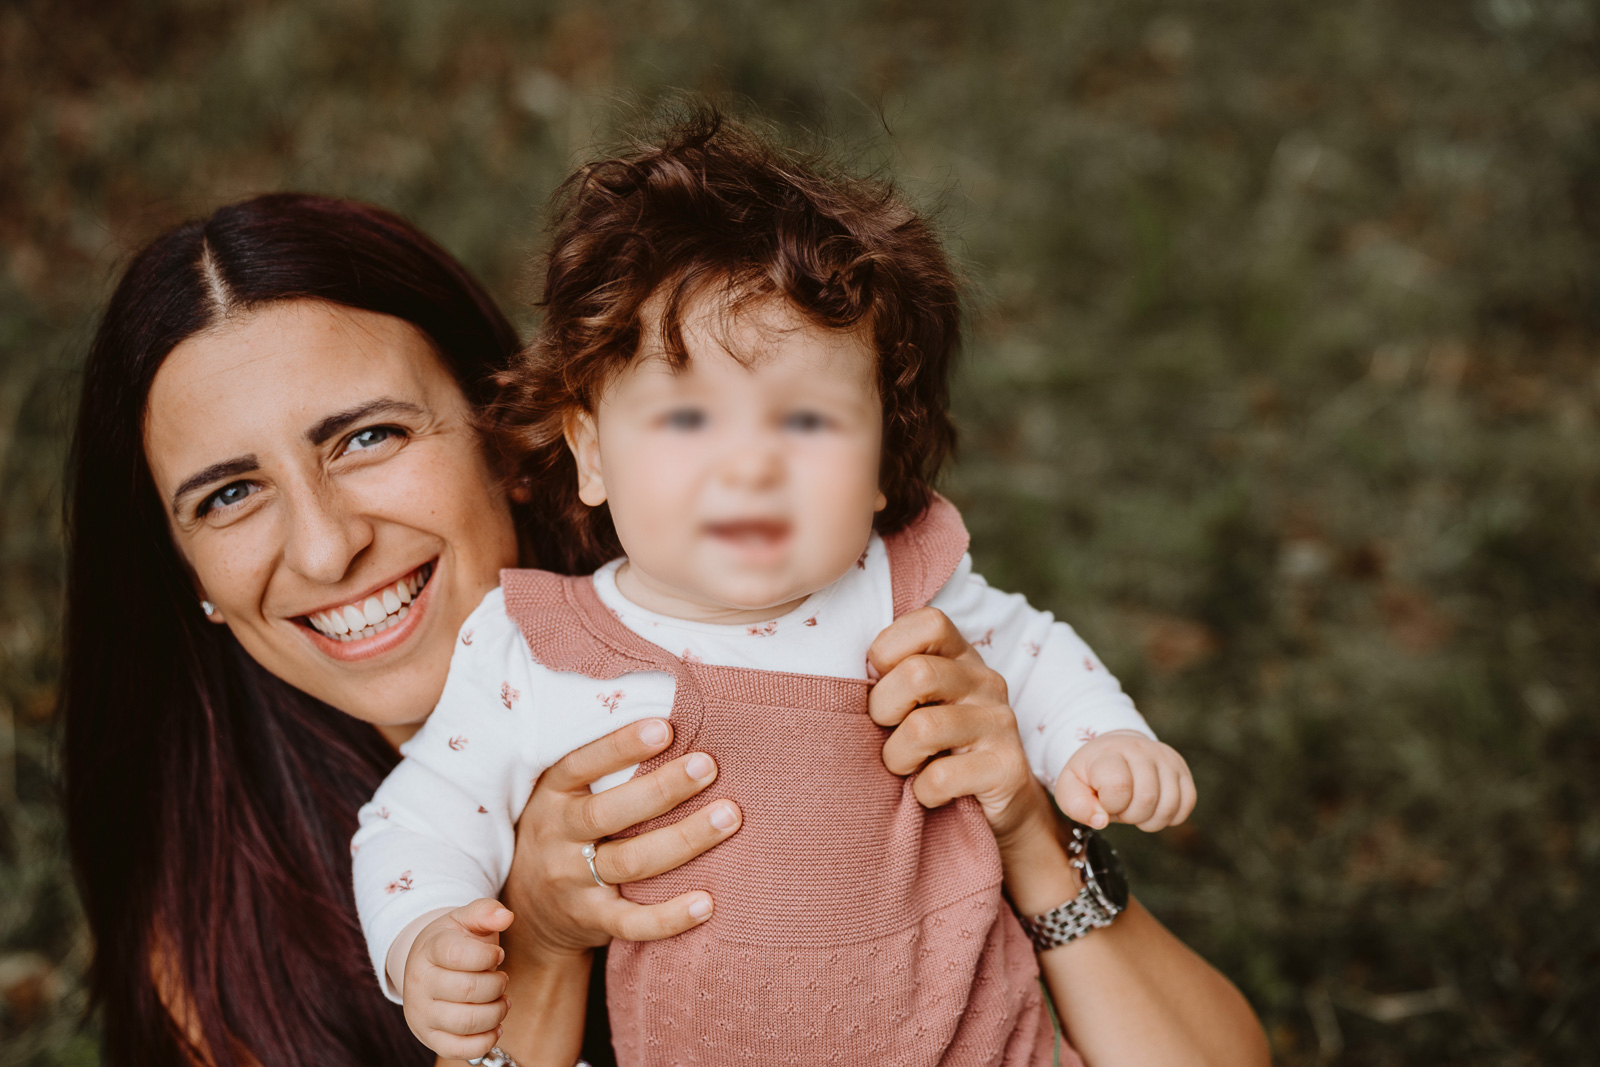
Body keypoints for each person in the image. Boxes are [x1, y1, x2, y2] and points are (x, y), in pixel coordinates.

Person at [61, 190, 1268, 1067]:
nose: (325, 547)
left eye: (368, 435)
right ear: (185, 570)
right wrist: (537, 944)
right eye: (229, 494)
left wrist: (1029, 828)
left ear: (517, 433)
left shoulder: (816, 605)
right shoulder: (221, 933)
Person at [354, 115, 1201, 1066]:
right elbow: (419, 817)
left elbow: (1033, 656)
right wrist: (425, 935)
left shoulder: (899, 589)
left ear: (882, 462)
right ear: (590, 451)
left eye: (805, 420)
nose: (750, 468)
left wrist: (1100, 739)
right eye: (687, 418)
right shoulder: (544, 653)